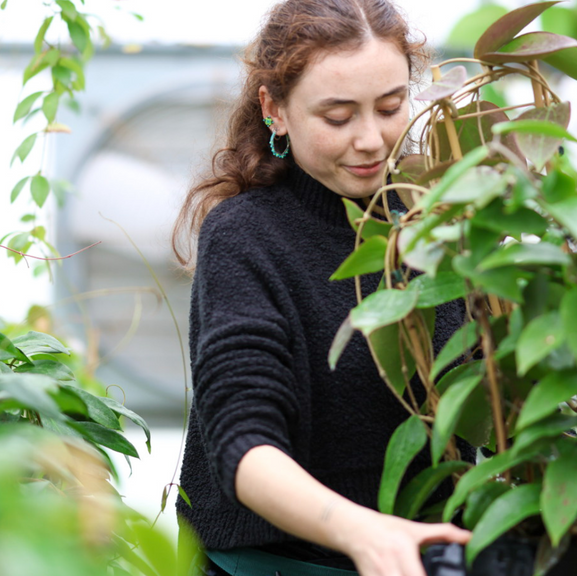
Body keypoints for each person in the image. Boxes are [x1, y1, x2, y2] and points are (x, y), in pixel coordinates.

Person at [171, 1, 473, 574]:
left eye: (390, 106)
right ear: (275, 110)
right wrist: (364, 534)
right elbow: (243, 443)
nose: (371, 140)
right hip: (277, 563)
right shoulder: (245, 237)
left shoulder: (445, 227)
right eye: (338, 117)